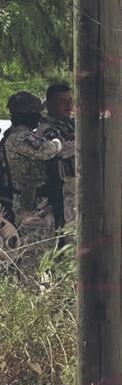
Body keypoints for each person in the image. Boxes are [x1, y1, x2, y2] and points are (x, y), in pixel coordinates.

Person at [0, 92, 64, 276]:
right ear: (26, 114)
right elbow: (47, 149)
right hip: (28, 205)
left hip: (33, 202)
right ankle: (30, 289)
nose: (39, 116)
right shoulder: (19, 137)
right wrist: (56, 139)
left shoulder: (15, 136)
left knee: (42, 254)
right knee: (32, 256)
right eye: (36, 112)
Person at [39, 82, 77, 228]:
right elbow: (62, 150)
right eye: (62, 101)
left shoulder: (71, 124)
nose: (68, 106)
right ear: (49, 105)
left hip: (77, 188)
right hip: (61, 191)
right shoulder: (45, 128)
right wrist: (85, 140)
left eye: (70, 101)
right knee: (69, 232)